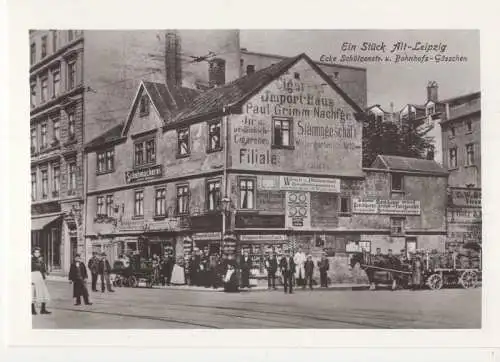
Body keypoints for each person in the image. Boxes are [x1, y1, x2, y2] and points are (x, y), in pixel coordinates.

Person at [31, 247, 51, 315]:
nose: (37, 253)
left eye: (38, 252)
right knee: (33, 294)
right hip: (33, 277)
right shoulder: (31, 261)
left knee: (43, 293)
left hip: (39, 277)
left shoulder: (40, 261)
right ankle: (32, 310)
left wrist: (45, 273)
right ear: (33, 253)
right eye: (36, 252)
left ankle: (43, 309)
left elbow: (42, 270)